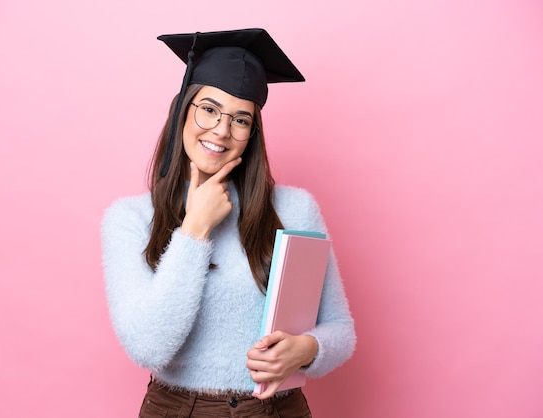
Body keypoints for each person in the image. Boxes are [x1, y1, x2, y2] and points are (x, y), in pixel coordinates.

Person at [102, 28, 356, 417]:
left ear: (252, 133)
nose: (221, 130)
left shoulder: (294, 209)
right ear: (183, 110)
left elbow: (340, 329)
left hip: (276, 409)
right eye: (208, 109)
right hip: (179, 409)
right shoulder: (130, 218)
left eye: (240, 118)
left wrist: (307, 350)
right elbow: (148, 348)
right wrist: (194, 230)